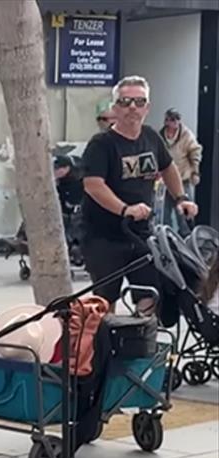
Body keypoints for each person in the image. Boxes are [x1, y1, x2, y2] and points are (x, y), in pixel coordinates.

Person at [81, 76, 198, 311]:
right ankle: (107, 345)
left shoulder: (150, 137)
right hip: (104, 237)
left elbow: (168, 167)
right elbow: (93, 185)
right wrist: (125, 209)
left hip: (141, 235)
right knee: (105, 302)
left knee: (150, 294)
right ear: (115, 108)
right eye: (125, 102)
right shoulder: (102, 144)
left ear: (147, 107)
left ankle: (140, 342)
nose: (132, 107)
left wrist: (181, 198)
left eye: (138, 101)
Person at [162, 108, 203, 233]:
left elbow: (195, 153)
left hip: (182, 178)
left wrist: (195, 172)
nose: (171, 123)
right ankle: (166, 236)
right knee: (165, 212)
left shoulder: (186, 135)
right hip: (164, 181)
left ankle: (187, 236)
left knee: (184, 213)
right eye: (169, 120)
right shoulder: (160, 135)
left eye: (174, 120)